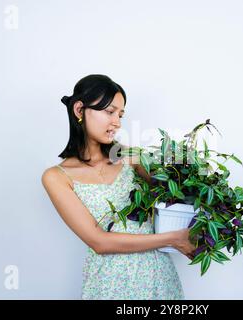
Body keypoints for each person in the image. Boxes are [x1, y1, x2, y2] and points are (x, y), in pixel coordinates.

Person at [41, 74, 196, 300]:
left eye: (121, 114)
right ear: (79, 110)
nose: (117, 122)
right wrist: (173, 238)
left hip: (158, 278)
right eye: (110, 112)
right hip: (110, 285)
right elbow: (99, 242)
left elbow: (176, 193)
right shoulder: (57, 177)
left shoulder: (131, 157)